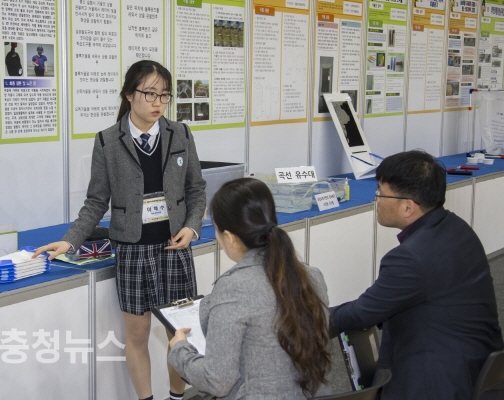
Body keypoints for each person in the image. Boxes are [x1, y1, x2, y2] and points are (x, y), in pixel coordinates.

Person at [34, 60, 207, 400]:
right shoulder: (108, 141)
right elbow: (96, 202)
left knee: (180, 333)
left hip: (175, 246)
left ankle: (177, 396)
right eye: (150, 94)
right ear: (129, 94)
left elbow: (196, 190)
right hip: (132, 249)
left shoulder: (181, 134)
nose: (158, 102)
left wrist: (192, 227)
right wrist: (70, 241)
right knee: (137, 335)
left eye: (164, 95)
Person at [330, 150, 503, 400]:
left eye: (380, 193)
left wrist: (304, 319)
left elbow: (363, 312)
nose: (376, 200)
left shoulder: (411, 257)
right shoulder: (458, 228)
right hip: (480, 367)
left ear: (408, 207)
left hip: (443, 382)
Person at [168, 177, 332, 399]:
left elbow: (217, 381)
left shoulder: (234, 287)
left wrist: (180, 350)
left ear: (229, 238)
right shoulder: (311, 276)